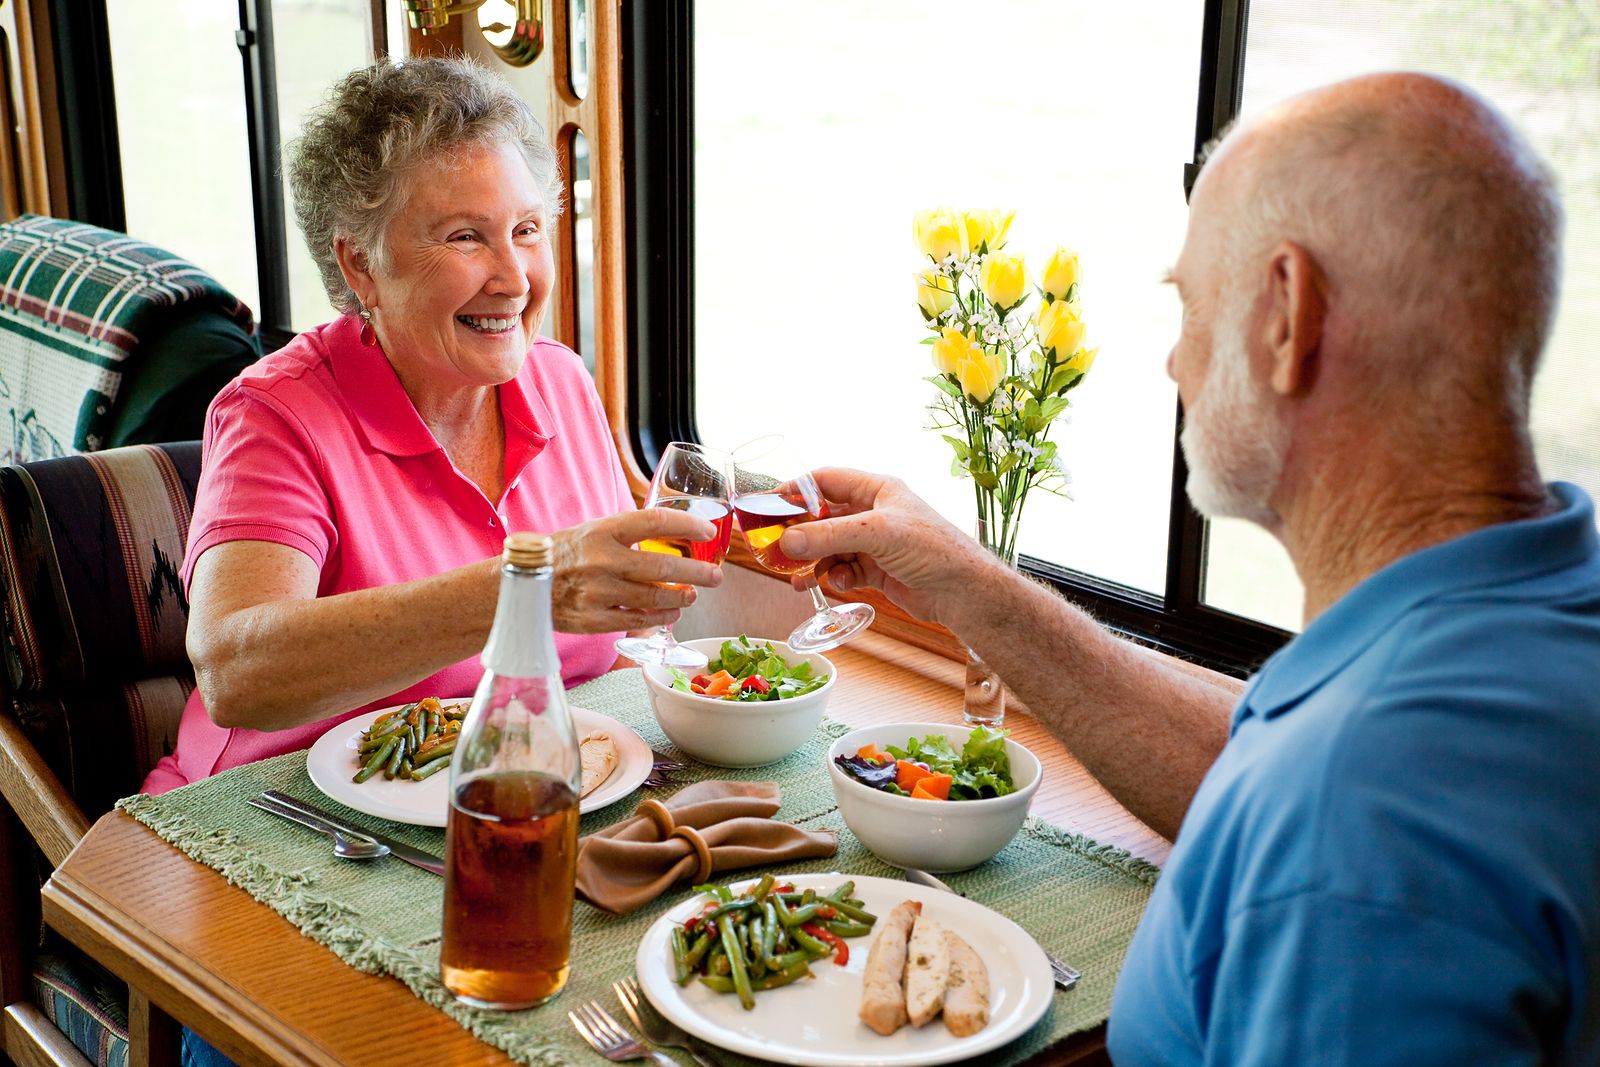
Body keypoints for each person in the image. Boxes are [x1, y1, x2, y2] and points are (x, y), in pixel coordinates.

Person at [780, 72, 1600, 1063]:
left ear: (1285, 315)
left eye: (1189, 302)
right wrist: (968, 582)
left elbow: (1326, 818)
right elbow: (1250, 771)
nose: (1174, 364)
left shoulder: (1358, 818)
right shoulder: (1517, 625)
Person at [143, 58, 721, 794]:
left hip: (503, 795)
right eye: (463, 237)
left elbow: (612, 642)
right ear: (361, 265)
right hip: (282, 816)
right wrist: (527, 587)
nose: (513, 277)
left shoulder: (563, 382)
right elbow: (234, 673)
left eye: (527, 228)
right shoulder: (276, 414)